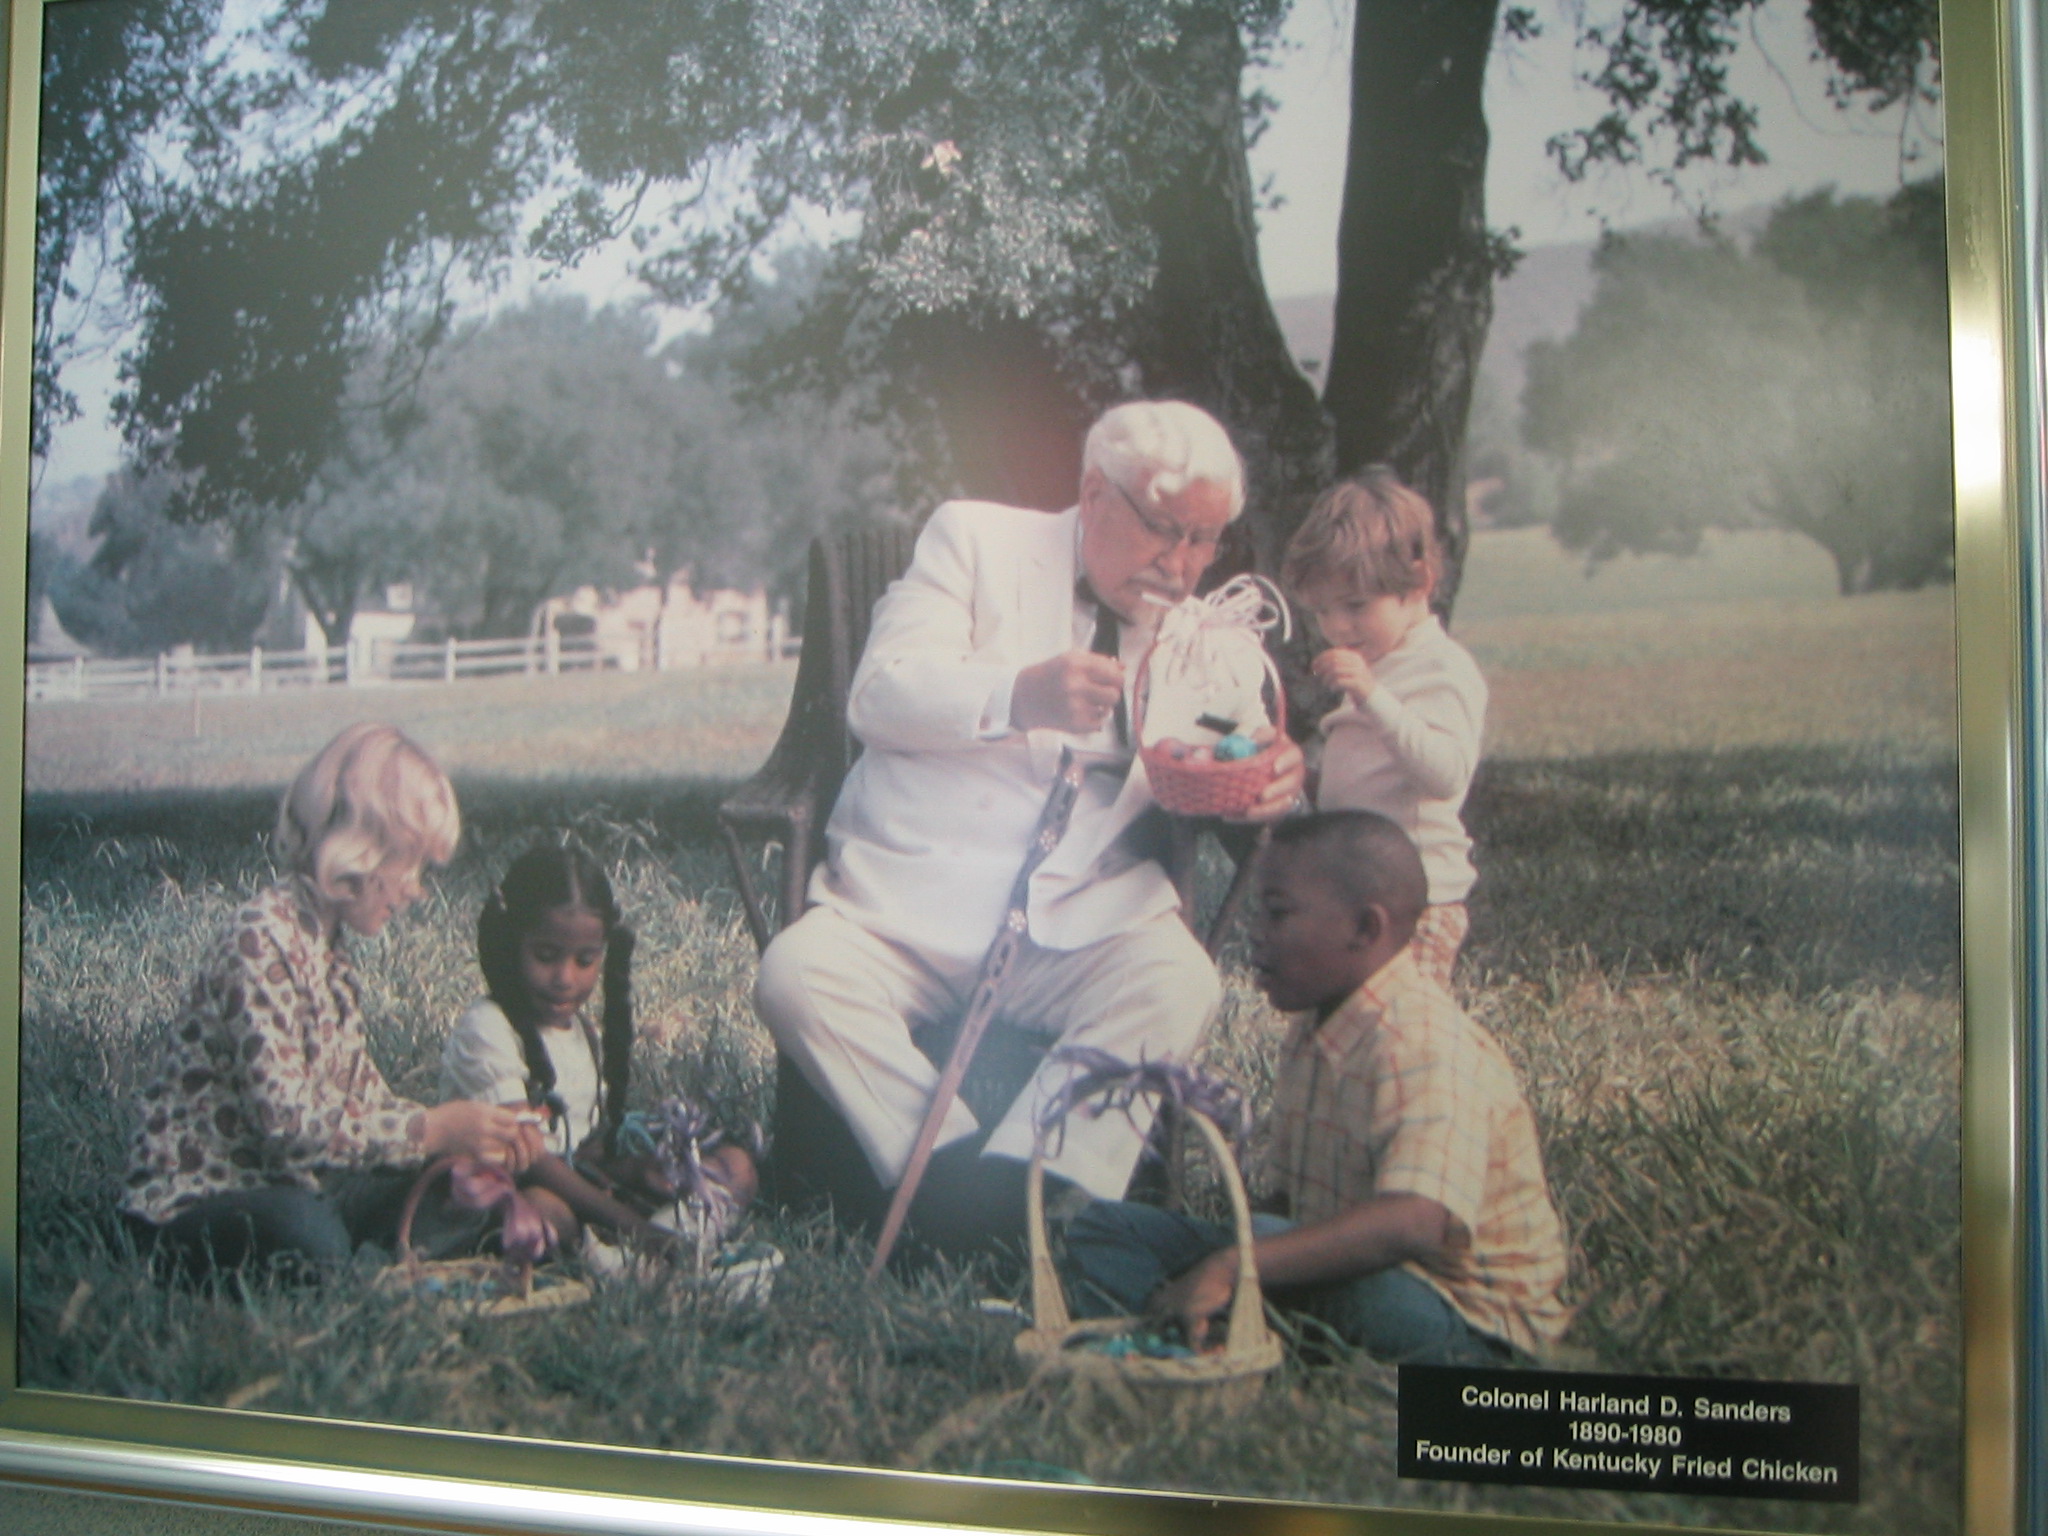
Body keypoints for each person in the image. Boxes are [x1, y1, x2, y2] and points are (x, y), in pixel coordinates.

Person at [756, 399, 1305, 1260]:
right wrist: (1016, 695)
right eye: (1164, 529)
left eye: (1205, 541)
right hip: (907, 907)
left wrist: (1269, 783)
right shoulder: (974, 541)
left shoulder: (1208, 639)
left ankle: (1039, 1181)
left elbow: (1235, 756)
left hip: (1075, 922)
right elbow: (880, 692)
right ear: (1094, 494)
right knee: (796, 974)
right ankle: (950, 1176)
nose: (1182, 565)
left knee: (1179, 980)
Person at [1064, 811, 1572, 1364]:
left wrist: (1233, 1266)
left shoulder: (1423, 1043)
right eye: (1258, 911)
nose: (1255, 931)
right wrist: (1236, 1252)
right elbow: (1284, 1204)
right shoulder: (1314, 1026)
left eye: (1278, 913)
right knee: (1105, 1228)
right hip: (1349, 1274)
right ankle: (1194, 1337)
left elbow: (1415, 1224)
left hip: (1461, 1317)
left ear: (1365, 929)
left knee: (1295, 1263)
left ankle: (1220, 1334)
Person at [119, 723, 542, 1282]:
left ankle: (375, 1254)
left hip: (298, 1185)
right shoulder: (261, 940)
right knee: (307, 1233)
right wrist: (432, 1129)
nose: (416, 889)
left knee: (458, 1185)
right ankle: (355, 1260)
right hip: (203, 1202)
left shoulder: (327, 950)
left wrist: (462, 1145)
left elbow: (363, 1103)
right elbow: (287, 1126)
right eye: (410, 864)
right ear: (361, 849)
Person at [441, 841, 756, 1258]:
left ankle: (673, 1241)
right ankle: (639, 1249)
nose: (565, 978)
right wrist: (633, 1226)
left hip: (581, 1189)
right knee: (544, 1211)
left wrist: (637, 1172)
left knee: (736, 1166)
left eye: (585, 960)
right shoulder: (488, 1028)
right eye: (546, 955)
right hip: (505, 1193)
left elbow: (579, 1151)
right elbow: (534, 1161)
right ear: (510, 944)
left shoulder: (581, 1033)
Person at [1282, 468, 1487, 991]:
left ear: (1419, 585)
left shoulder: (1441, 668)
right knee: (1341, 1016)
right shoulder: (1382, 662)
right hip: (1359, 891)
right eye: (1323, 611)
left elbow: (1446, 774)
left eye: (1356, 605)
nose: (1337, 627)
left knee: (1400, 1020)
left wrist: (1373, 696)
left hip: (1417, 898)